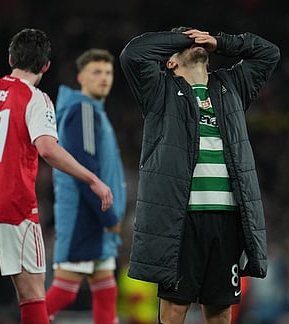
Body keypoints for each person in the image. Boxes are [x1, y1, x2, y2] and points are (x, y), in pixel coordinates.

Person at [120, 27, 280, 323]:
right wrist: (184, 38)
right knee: (174, 311)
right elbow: (134, 53)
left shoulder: (231, 85)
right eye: (185, 42)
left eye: (197, 38)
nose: (195, 41)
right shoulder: (159, 91)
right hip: (181, 220)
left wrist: (221, 42)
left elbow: (268, 52)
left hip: (227, 218)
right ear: (170, 62)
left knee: (220, 313)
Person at [0, 28, 113, 324]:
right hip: (13, 208)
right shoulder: (36, 99)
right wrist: (92, 178)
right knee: (32, 295)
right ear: (46, 66)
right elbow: (47, 148)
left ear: (10, 59)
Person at [45, 49, 126, 324]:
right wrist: (109, 217)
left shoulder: (94, 112)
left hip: (97, 217)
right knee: (64, 293)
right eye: (96, 72)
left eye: (108, 72)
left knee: (106, 293)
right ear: (81, 77)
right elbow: (85, 170)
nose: (104, 78)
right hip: (87, 216)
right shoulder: (83, 111)